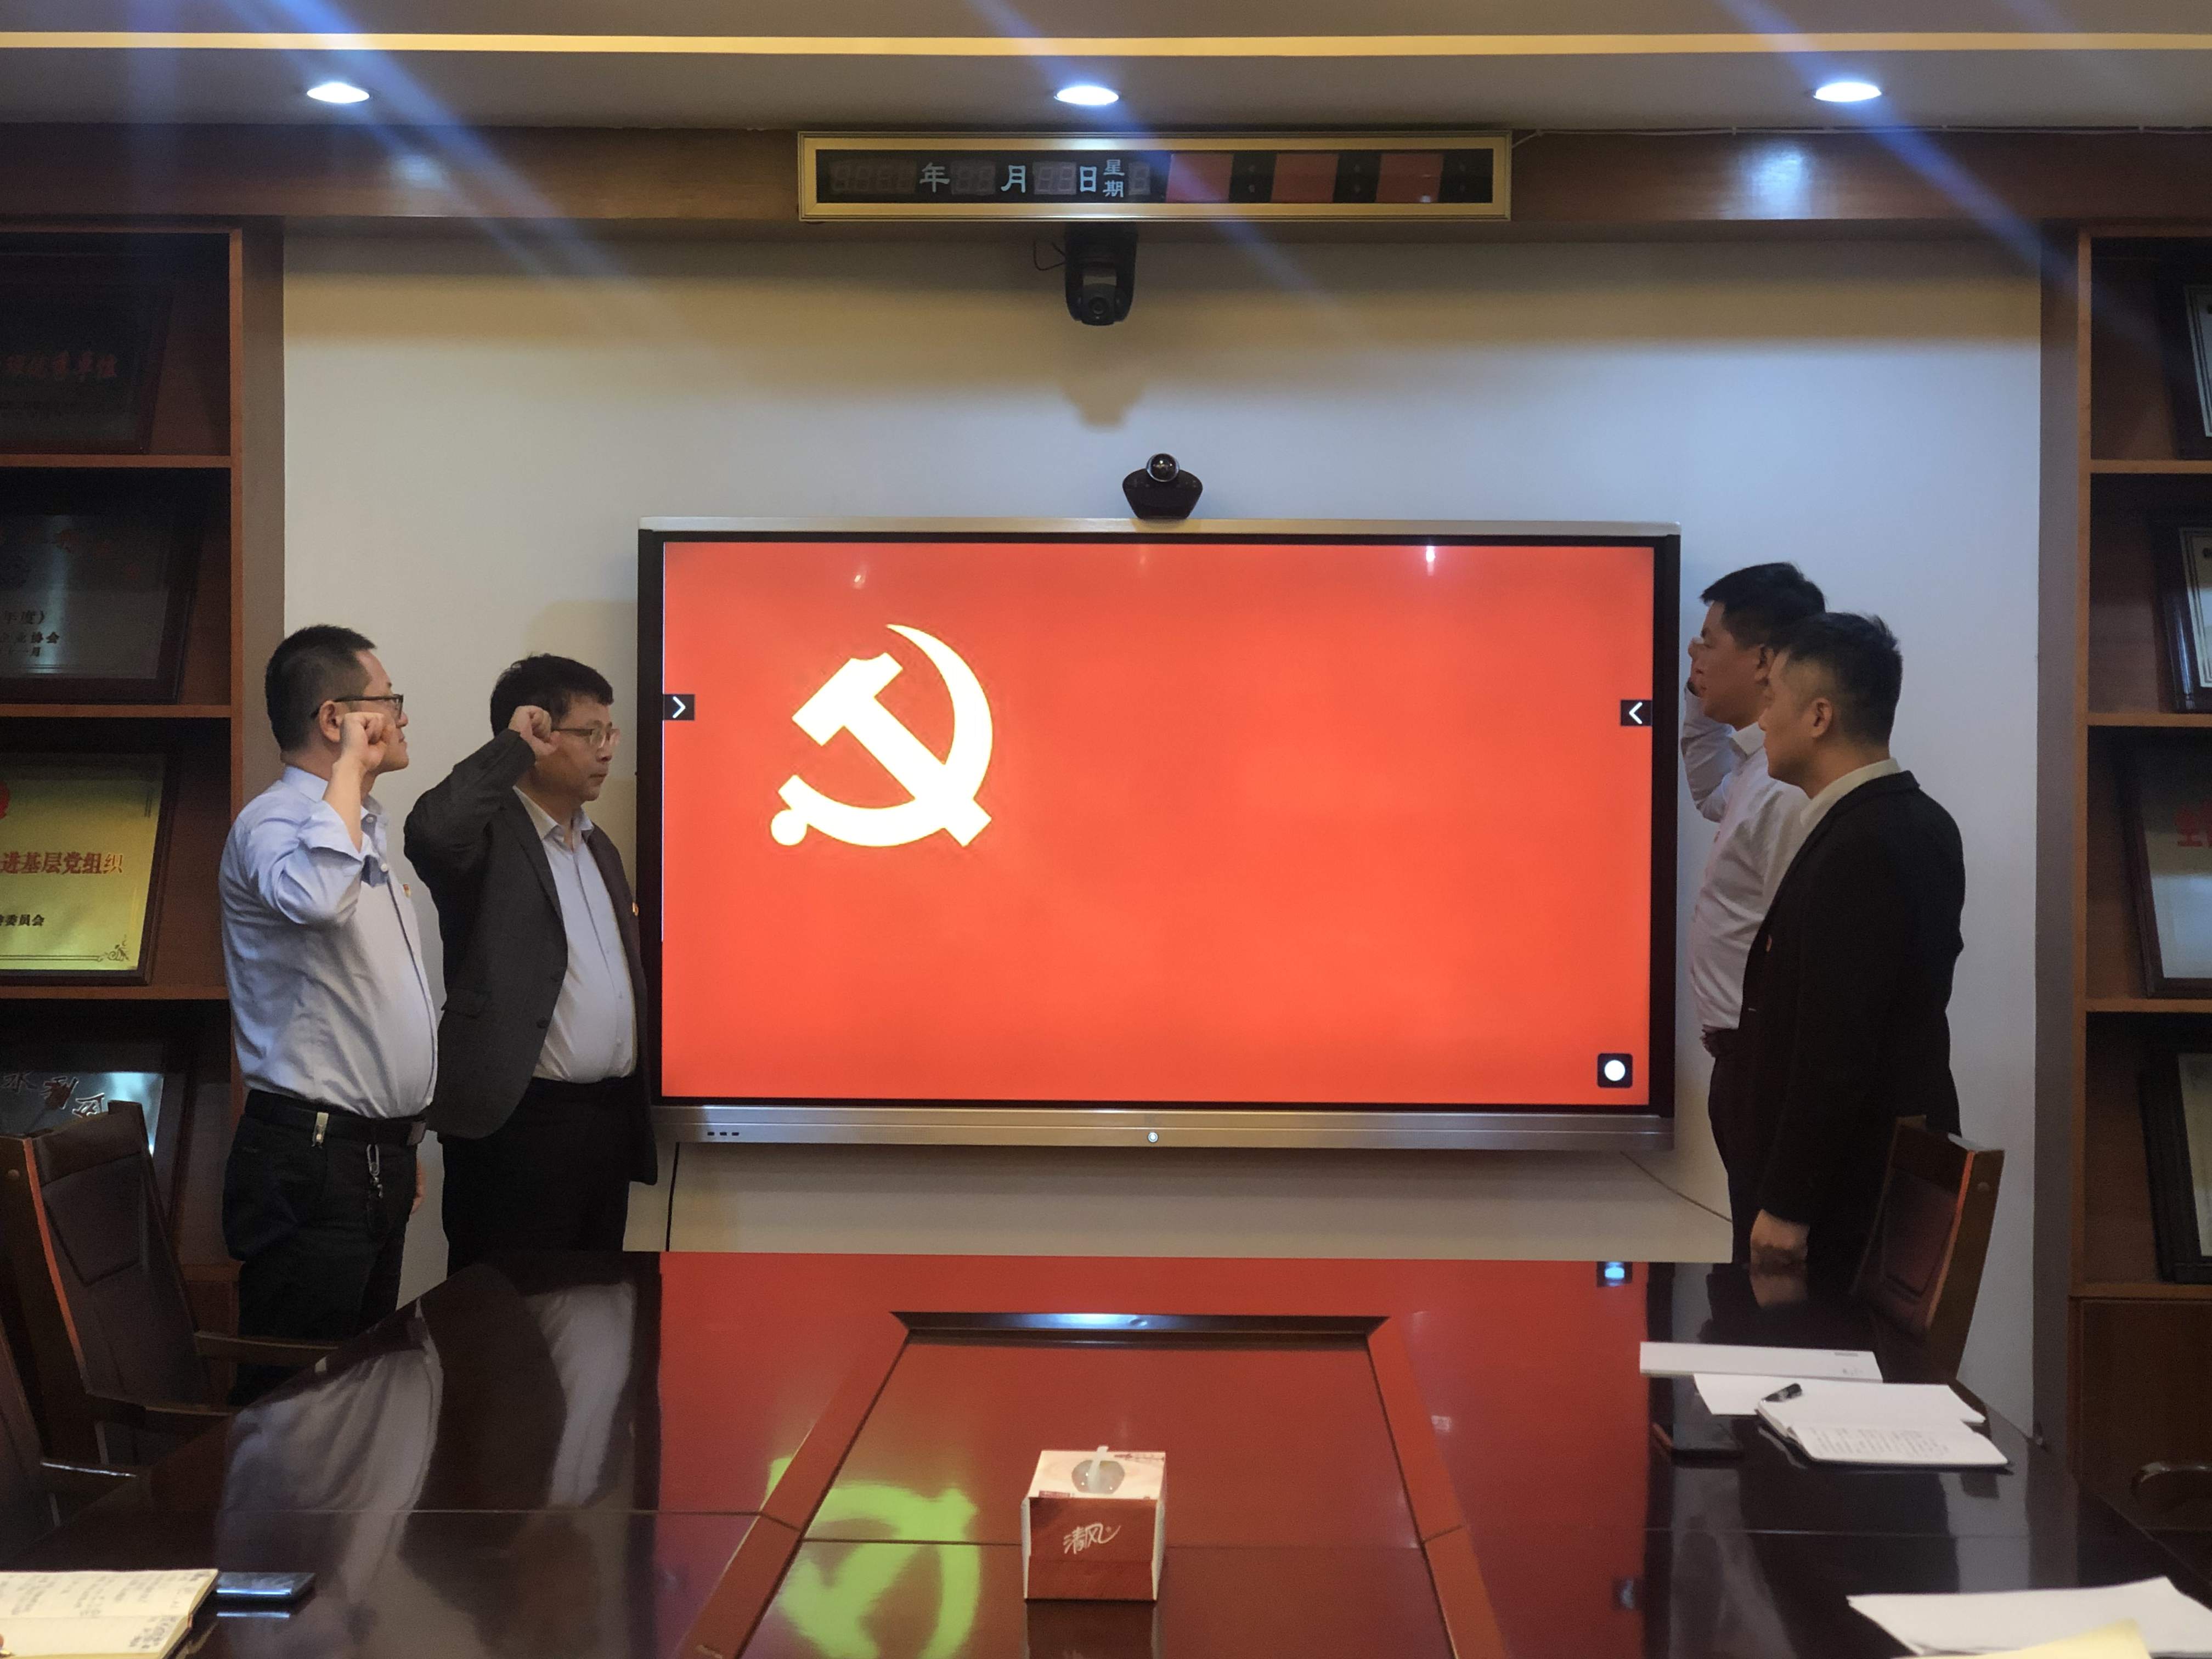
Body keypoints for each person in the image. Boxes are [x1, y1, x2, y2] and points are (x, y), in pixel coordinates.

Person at [220, 625, 435, 1398]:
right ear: (335, 719)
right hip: (311, 1162)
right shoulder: (276, 820)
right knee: (296, 1399)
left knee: (355, 1392)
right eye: (388, 701)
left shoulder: (360, 826)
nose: (403, 718)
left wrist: (398, 1135)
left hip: (368, 1156)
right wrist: (349, 769)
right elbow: (314, 900)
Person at [404, 654, 654, 1276]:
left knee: (594, 1310)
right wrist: (510, 748)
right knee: (507, 1316)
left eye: (610, 732)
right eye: (590, 733)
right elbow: (431, 834)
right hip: (520, 1126)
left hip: (604, 1125)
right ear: (540, 734)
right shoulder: (488, 837)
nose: (606, 749)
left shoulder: (599, 846)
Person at [1738, 613, 1965, 1285]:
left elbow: (1837, 1045)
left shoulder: (1865, 842)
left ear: (1819, 716)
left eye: (1772, 698)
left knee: (1827, 1348)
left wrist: (1788, 1204)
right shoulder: (1906, 820)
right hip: (1864, 1176)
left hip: (1848, 1197)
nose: (1761, 721)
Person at [1681, 562, 1826, 1261]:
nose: (1694, 652)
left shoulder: (1785, 789)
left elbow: (1802, 959)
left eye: (1709, 641)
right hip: (1742, 1063)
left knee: (1770, 1271)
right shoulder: (1753, 768)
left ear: (1765, 660)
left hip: (1767, 1063)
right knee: (1748, 1259)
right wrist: (1698, 695)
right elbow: (1707, 788)